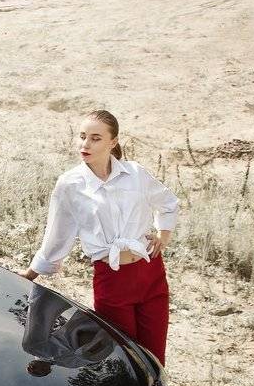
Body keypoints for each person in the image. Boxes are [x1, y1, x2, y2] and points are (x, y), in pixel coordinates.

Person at [20, 110, 179, 364]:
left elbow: (168, 203)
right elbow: (57, 234)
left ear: (113, 142)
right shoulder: (70, 184)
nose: (85, 144)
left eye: (95, 138)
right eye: (82, 136)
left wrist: (164, 236)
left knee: (155, 357)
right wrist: (31, 274)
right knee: (123, 359)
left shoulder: (136, 174)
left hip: (151, 273)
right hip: (112, 280)